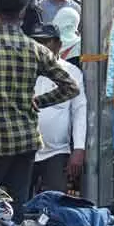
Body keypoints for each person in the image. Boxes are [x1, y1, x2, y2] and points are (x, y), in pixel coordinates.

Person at [0, 0, 79, 211]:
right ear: (23, 12)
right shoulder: (35, 49)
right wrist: (39, 102)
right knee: (17, 205)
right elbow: (70, 87)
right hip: (26, 141)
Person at [30, 24, 87, 193]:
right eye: (36, 42)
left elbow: (79, 111)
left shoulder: (71, 72)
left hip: (56, 152)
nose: (40, 47)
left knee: (56, 202)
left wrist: (78, 149)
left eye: (45, 42)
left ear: (58, 45)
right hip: (25, 151)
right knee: (18, 203)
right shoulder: (24, 70)